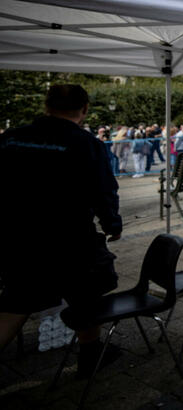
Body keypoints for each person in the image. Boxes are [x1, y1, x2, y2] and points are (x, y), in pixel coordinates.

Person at [0, 84, 123, 376]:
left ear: (46, 106)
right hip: (69, 239)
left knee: (17, 300)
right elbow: (104, 190)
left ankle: (92, 353)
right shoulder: (86, 143)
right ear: (84, 109)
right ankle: (90, 353)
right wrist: (112, 224)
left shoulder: (11, 139)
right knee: (88, 291)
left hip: (18, 238)